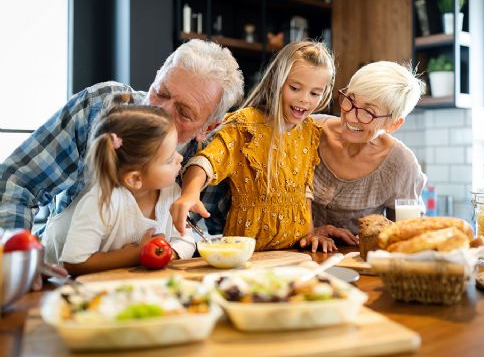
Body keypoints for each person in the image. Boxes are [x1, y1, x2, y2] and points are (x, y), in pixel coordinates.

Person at [0, 39, 244, 235]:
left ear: (208, 127)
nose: (160, 111)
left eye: (184, 113)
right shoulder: (98, 106)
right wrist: (20, 255)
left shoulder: (210, 157)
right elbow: (16, 183)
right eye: (161, 92)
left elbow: (222, 233)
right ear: (157, 76)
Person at [171, 41, 337, 252]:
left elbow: (304, 192)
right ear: (276, 81)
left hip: (296, 250)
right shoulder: (245, 125)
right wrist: (189, 194)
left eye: (315, 93)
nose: (305, 100)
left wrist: (311, 234)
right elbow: (205, 162)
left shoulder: (310, 132)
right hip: (247, 254)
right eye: (295, 88)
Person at [42, 100, 195, 276]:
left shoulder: (172, 192)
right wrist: (137, 254)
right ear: (135, 178)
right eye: (169, 159)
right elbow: (74, 263)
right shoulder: (102, 202)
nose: (180, 158)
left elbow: (186, 240)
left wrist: (170, 253)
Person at [311, 61, 427, 244]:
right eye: (350, 99)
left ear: (393, 124)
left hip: (358, 264)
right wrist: (311, 231)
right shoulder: (309, 131)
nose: (350, 116)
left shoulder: (400, 164)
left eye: (368, 112)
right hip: (291, 260)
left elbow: (407, 236)